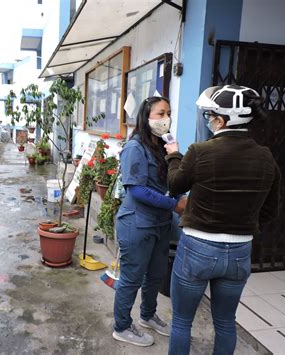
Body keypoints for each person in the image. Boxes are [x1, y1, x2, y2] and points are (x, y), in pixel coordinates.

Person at [164, 85, 281, 355]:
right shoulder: (266, 156)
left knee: (182, 322)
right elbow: (271, 209)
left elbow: (174, 185)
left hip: (198, 248)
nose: (207, 120)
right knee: (226, 322)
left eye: (209, 115)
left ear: (221, 120)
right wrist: (242, 229)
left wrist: (173, 154)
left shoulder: (200, 151)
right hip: (240, 252)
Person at [113, 96, 187, 347]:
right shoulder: (135, 148)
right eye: (159, 114)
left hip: (161, 223)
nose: (165, 119)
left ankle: (147, 315)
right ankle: (122, 326)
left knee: (155, 275)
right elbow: (137, 190)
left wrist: (180, 195)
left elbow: (171, 182)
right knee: (132, 278)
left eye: (168, 113)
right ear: (146, 117)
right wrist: (175, 205)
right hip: (137, 224)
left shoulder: (163, 146)